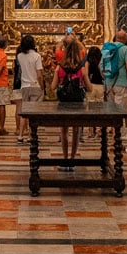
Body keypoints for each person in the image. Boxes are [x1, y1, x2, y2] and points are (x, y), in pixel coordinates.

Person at [55, 35, 90, 169]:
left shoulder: (60, 64)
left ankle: (65, 160)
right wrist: (77, 41)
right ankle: (73, 159)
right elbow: (90, 87)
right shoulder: (81, 66)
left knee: (64, 131)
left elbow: (53, 87)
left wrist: (63, 41)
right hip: (77, 102)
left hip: (64, 102)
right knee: (75, 131)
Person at [15, 32, 44, 140]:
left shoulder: (20, 56)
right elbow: (39, 74)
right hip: (35, 85)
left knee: (24, 112)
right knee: (34, 113)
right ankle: (31, 135)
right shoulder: (37, 56)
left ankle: (21, 135)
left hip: (24, 86)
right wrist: (42, 86)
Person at [101, 30, 127, 110]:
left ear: (116, 37)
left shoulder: (107, 48)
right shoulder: (126, 49)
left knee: (110, 110)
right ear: (125, 39)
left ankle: (112, 123)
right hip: (121, 82)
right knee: (120, 110)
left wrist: (105, 77)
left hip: (108, 82)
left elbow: (101, 65)